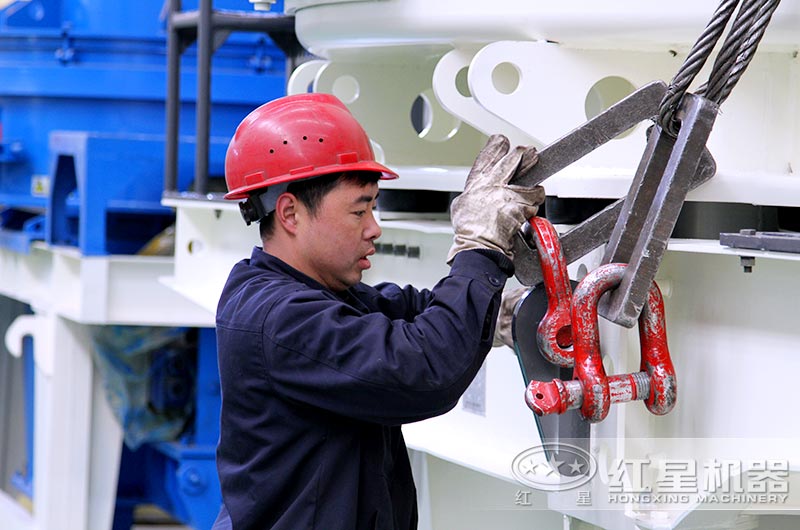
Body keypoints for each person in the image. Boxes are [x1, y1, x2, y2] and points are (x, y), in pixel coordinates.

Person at [212, 93, 544, 530]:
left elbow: (414, 314)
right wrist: (479, 248)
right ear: (290, 213)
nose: (374, 228)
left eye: (374, 207)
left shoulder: (313, 294)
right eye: (359, 210)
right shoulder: (278, 317)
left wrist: (497, 310)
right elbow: (425, 369)